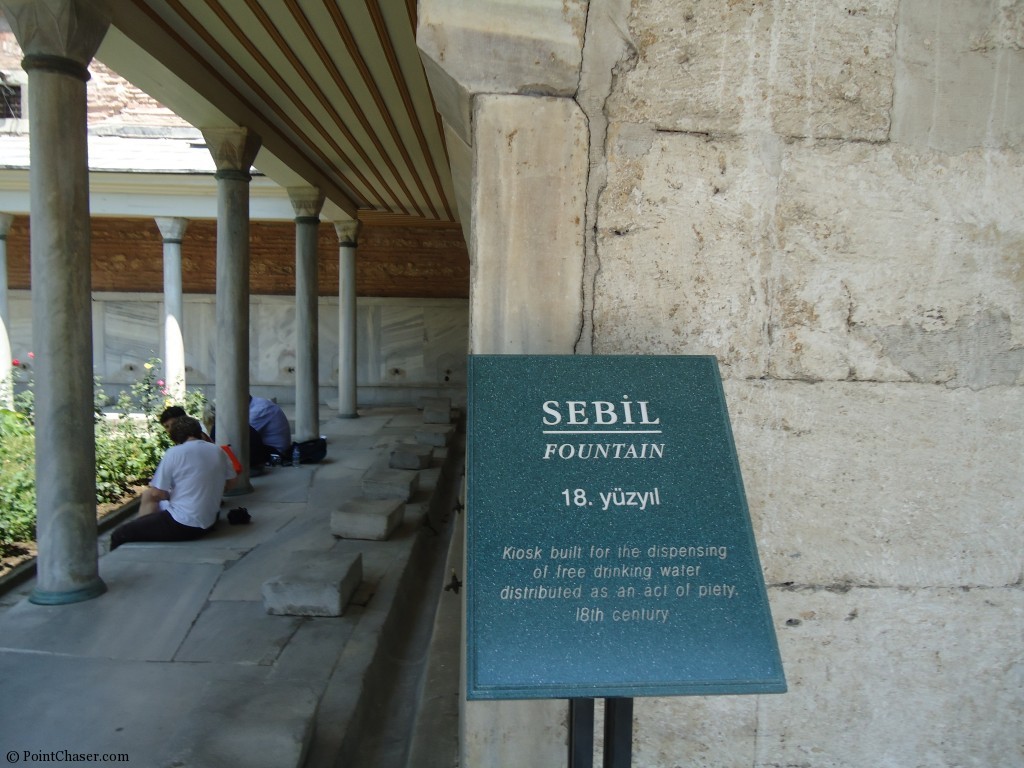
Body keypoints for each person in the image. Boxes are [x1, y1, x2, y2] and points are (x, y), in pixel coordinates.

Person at [110, 416, 237, 549]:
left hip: (184, 524)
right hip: (211, 518)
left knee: (120, 534)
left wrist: (171, 494)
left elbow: (157, 493)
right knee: (151, 504)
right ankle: (145, 528)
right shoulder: (218, 450)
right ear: (198, 432)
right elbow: (232, 482)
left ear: (175, 437)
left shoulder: (174, 453)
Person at [248, 395, 291, 464]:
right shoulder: (258, 403)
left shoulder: (259, 410)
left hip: (275, 453)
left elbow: (239, 435)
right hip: (271, 449)